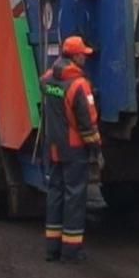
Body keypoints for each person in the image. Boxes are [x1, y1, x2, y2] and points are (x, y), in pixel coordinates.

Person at [41, 36, 102, 263]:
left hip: (54, 146)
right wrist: (96, 147)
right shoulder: (79, 85)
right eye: (82, 54)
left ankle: (52, 248)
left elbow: (43, 82)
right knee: (75, 197)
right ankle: (71, 251)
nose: (85, 57)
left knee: (55, 194)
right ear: (75, 56)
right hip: (75, 149)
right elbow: (88, 121)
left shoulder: (49, 80)